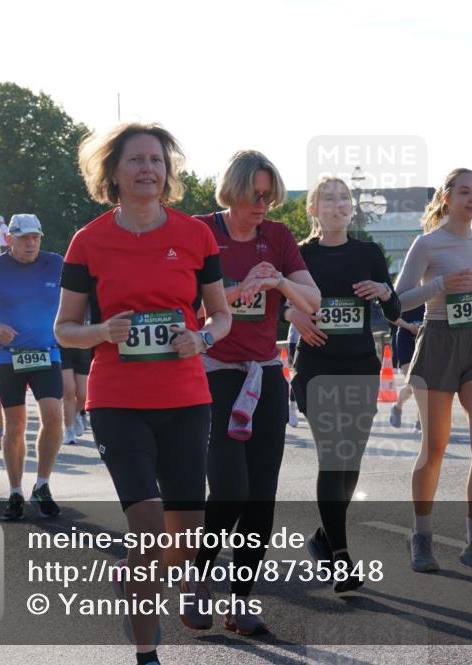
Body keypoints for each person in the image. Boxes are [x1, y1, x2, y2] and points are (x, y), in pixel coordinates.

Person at [59, 122, 232, 664]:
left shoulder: (196, 236)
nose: (147, 170)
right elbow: (65, 328)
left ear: (168, 170)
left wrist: (200, 336)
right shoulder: (88, 241)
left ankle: (133, 578)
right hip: (117, 399)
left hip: (185, 397)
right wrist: (100, 333)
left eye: (156, 160)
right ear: (112, 172)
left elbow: (222, 314)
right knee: (149, 527)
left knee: (183, 538)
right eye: (135, 160)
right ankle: (145, 653)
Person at [186, 150, 320, 636]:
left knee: (262, 495)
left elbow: (313, 300)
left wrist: (280, 279)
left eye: (270, 195)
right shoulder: (201, 232)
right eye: (254, 195)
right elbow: (186, 307)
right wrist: (240, 291)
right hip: (214, 369)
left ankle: (240, 600)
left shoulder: (278, 238)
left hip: (264, 374)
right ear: (233, 191)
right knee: (230, 487)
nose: (263, 204)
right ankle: (198, 578)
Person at [287, 176, 401, 592]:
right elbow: (279, 301)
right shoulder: (300, 255)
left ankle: (323, 538)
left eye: (345, 199)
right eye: (329, 199)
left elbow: (394, 309)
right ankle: (340, 557)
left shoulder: (367, 251)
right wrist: (291, 314)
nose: (338, 205)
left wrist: (384, 289)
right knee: (333, 458)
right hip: (316, 366)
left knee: (350, 463)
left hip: (360, 366)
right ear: (313, 209)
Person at [394, 168, 472, 574]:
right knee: (435, 447)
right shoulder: (427, 244)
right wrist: (439, 284)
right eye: (465, 192)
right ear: (447, 198)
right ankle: (421, 536)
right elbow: (399, 302)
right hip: (439, 342)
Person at [0, 213, 64, 520]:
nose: (31, 244)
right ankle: (15, 491)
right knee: (15, 423)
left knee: (53, 417)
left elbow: (81, 296)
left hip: (47, 353)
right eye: (24, 239)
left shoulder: (56, 263)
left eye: (36, 237)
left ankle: (43, 485)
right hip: (7, 355)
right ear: (10, 240)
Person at [389, 305, 424, 432]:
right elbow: (390, 315)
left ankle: (420, 422)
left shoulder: (434, 285)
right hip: (407, 338)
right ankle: (398, 407)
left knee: (426, 384)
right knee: (415, 383)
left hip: (428, 338)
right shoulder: (404, 285)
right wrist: (409, 326)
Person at [58, 343, 91, 445]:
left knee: (82, 395)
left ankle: (76, 414)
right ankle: (69, 431)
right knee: (69, 391)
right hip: (62, 345)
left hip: (83, 346)